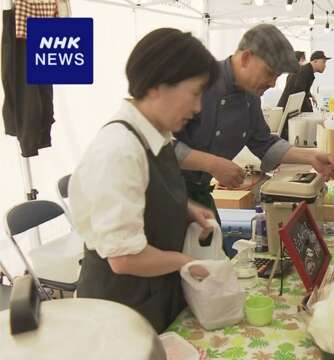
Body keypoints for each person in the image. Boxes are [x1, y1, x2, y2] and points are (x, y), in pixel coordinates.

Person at [69, 28, 218, 332]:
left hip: (154, 292)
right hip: (121, 304)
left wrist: (185, 207)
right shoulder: (119, 150)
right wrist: (184, 262)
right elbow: (125, 259)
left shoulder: (156, 135)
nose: (198, 107)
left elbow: (148, 194)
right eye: (195, 93)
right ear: (156, 85)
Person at [174, 25, 334, 223]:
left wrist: (310, 157)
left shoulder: (250, 96)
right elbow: (159, 144)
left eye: (277, 77)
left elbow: (263, 142)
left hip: (198, 197)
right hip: (165, 194)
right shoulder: (198, 83)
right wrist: (212, 163)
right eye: (270, 73)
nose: (272, 84)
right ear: (245, 58)